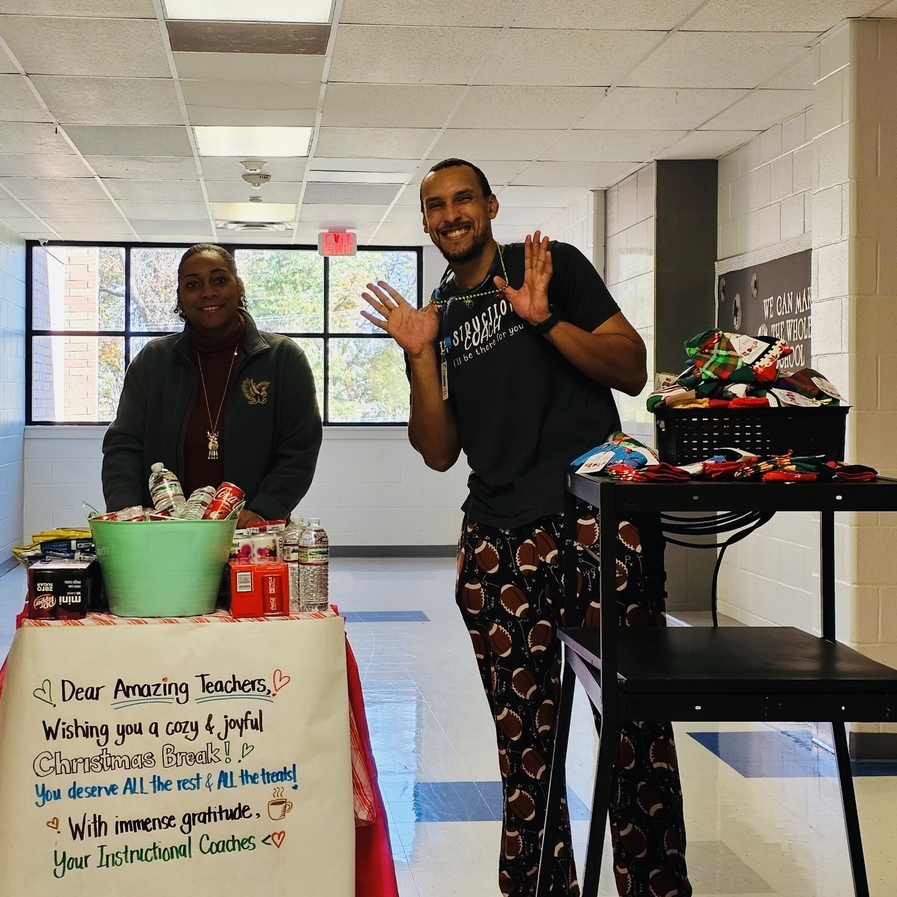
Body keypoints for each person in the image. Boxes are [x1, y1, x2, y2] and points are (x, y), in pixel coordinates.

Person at [361, 159, 691, 897]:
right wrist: (419, 357)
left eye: (463, 199)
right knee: (525, 752)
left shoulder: (551, 266)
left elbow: (631, 367)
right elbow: (439, 451)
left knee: (635, 734)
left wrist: (543, 319)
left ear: (490, 205)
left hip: (596, 526)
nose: (451, 214)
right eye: (436, 205)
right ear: (425, 223)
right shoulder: (435, 315)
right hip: (498, 543)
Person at [102, 243, 321, 525]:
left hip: (253, 531)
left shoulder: (283, 359)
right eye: (192, 284)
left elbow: (300, 448)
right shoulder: (153, 361)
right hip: (163, 533)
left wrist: (266, 508)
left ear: (239, 287)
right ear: (180, 298)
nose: (208, 292)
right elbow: (123, 445)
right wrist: (126, 512)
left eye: (219, 279)